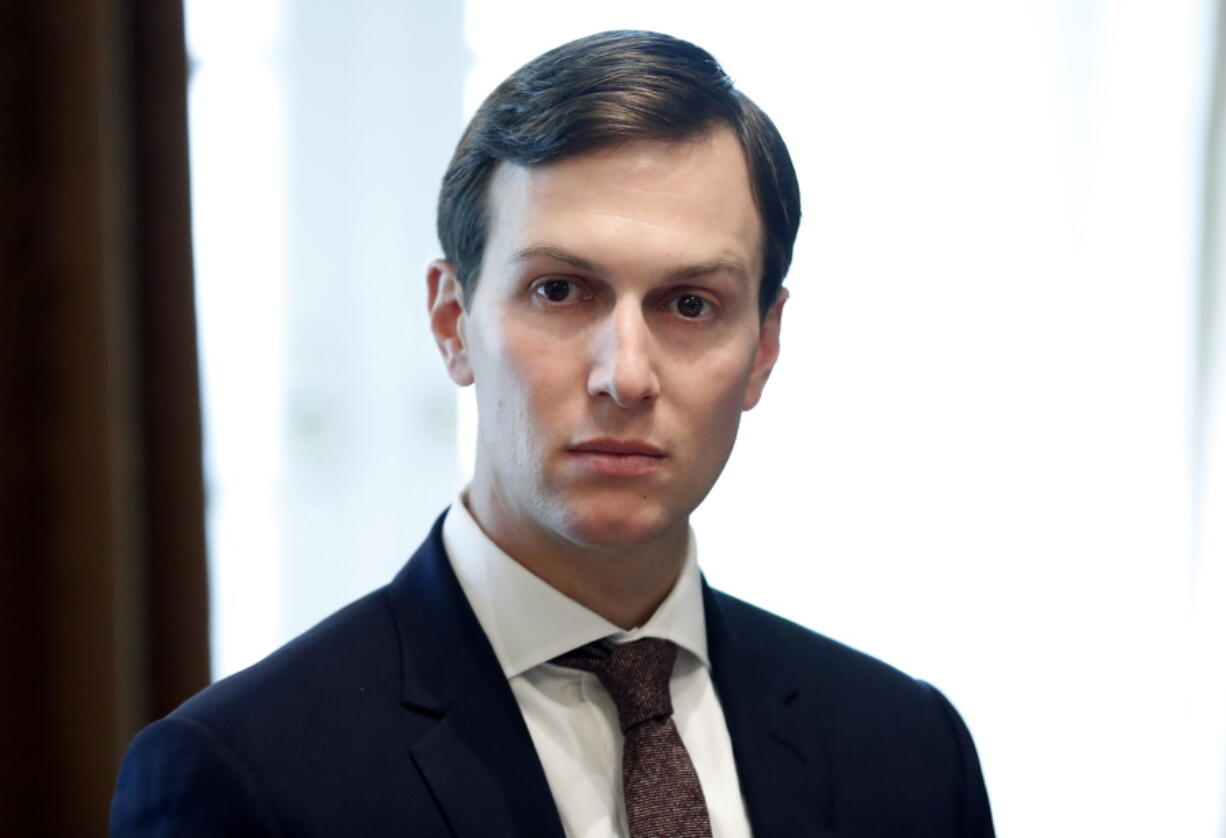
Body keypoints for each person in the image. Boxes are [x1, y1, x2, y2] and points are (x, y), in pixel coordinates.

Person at [112, 30, 994, 837]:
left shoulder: (909, 753)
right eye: (561, 292)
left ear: (763, 347)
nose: (627, 375)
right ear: (453, 320)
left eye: (692, 305)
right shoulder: (243, 777)